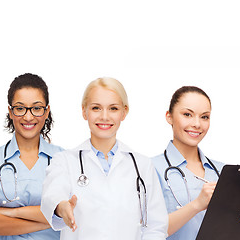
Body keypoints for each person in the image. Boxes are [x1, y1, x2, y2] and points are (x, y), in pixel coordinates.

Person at [41, 77, 168, 239]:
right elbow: (52, 195)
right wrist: (62, 207)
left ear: (124, 112)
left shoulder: (142, 165)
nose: (104, 116)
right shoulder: (64, 161)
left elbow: (156, 226)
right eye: (96, 108)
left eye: (113, 109)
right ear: (84, 111)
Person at [151, 86, 240, 240]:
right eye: (187, 114)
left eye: (204, 117)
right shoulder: (149, 168)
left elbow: (227, 234)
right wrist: (196, 205)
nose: (197, 124)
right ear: (169, 117)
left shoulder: (223, 172)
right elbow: (146, 231)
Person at [0, 73, 63, 240]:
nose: (28, 117)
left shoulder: (64, 160)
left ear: (46, 111)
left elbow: (73, 213)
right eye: (20, 108)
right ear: (10, 112)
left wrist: (11, 212)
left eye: (36, 108)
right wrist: (51, 221)